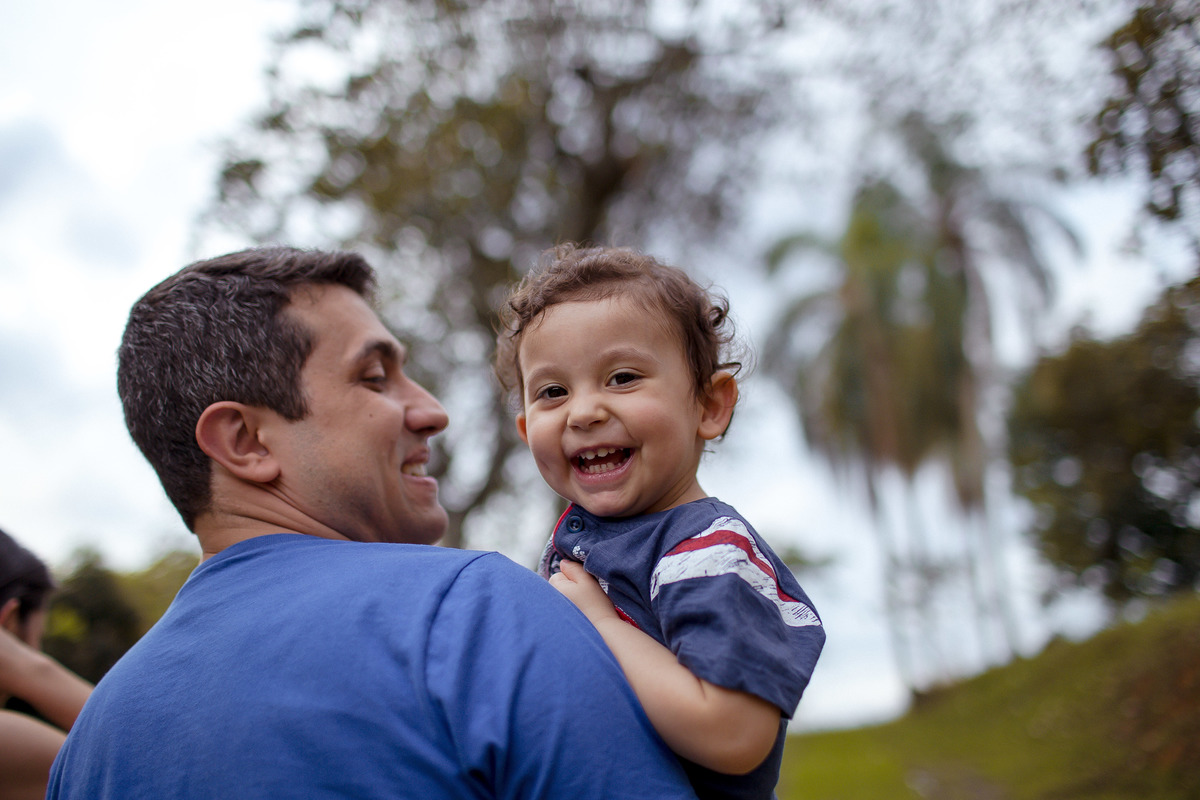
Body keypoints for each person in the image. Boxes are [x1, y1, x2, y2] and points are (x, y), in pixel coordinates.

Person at [47, 246, 698, 799]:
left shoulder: (87, 750)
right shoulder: (473, 612)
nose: (432, 410)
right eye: (375, 377)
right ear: (245, 440)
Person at [494, 244, 826, 800]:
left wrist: (601, 626)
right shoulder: (584, 548)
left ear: (709, 406)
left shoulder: (708, 551)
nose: (583, 411)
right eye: (554, 392)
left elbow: (735, 733)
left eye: (622, 378)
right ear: (529, 433)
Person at [0, 529, 93, 800]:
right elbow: (161, 759)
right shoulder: (10, 744)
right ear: (10, 620)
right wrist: (29, 667)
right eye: (37, 640)